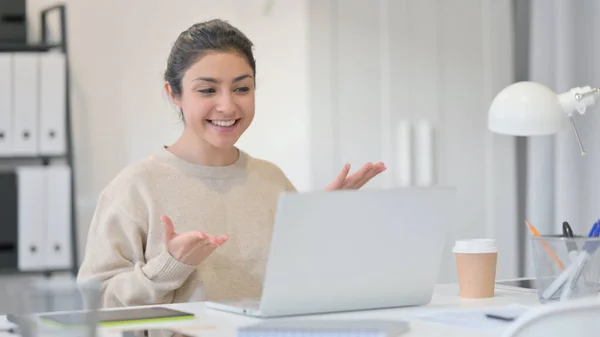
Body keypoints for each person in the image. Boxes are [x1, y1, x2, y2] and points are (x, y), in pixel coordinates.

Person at [76, 19, 386, 308]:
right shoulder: (135, 188)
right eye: (207, 90)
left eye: (242, 88)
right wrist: (169, 265)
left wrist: (319, 222)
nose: (227, 105)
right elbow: (96, 301)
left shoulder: (271, 179)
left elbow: (298, 282)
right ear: (174, 94)